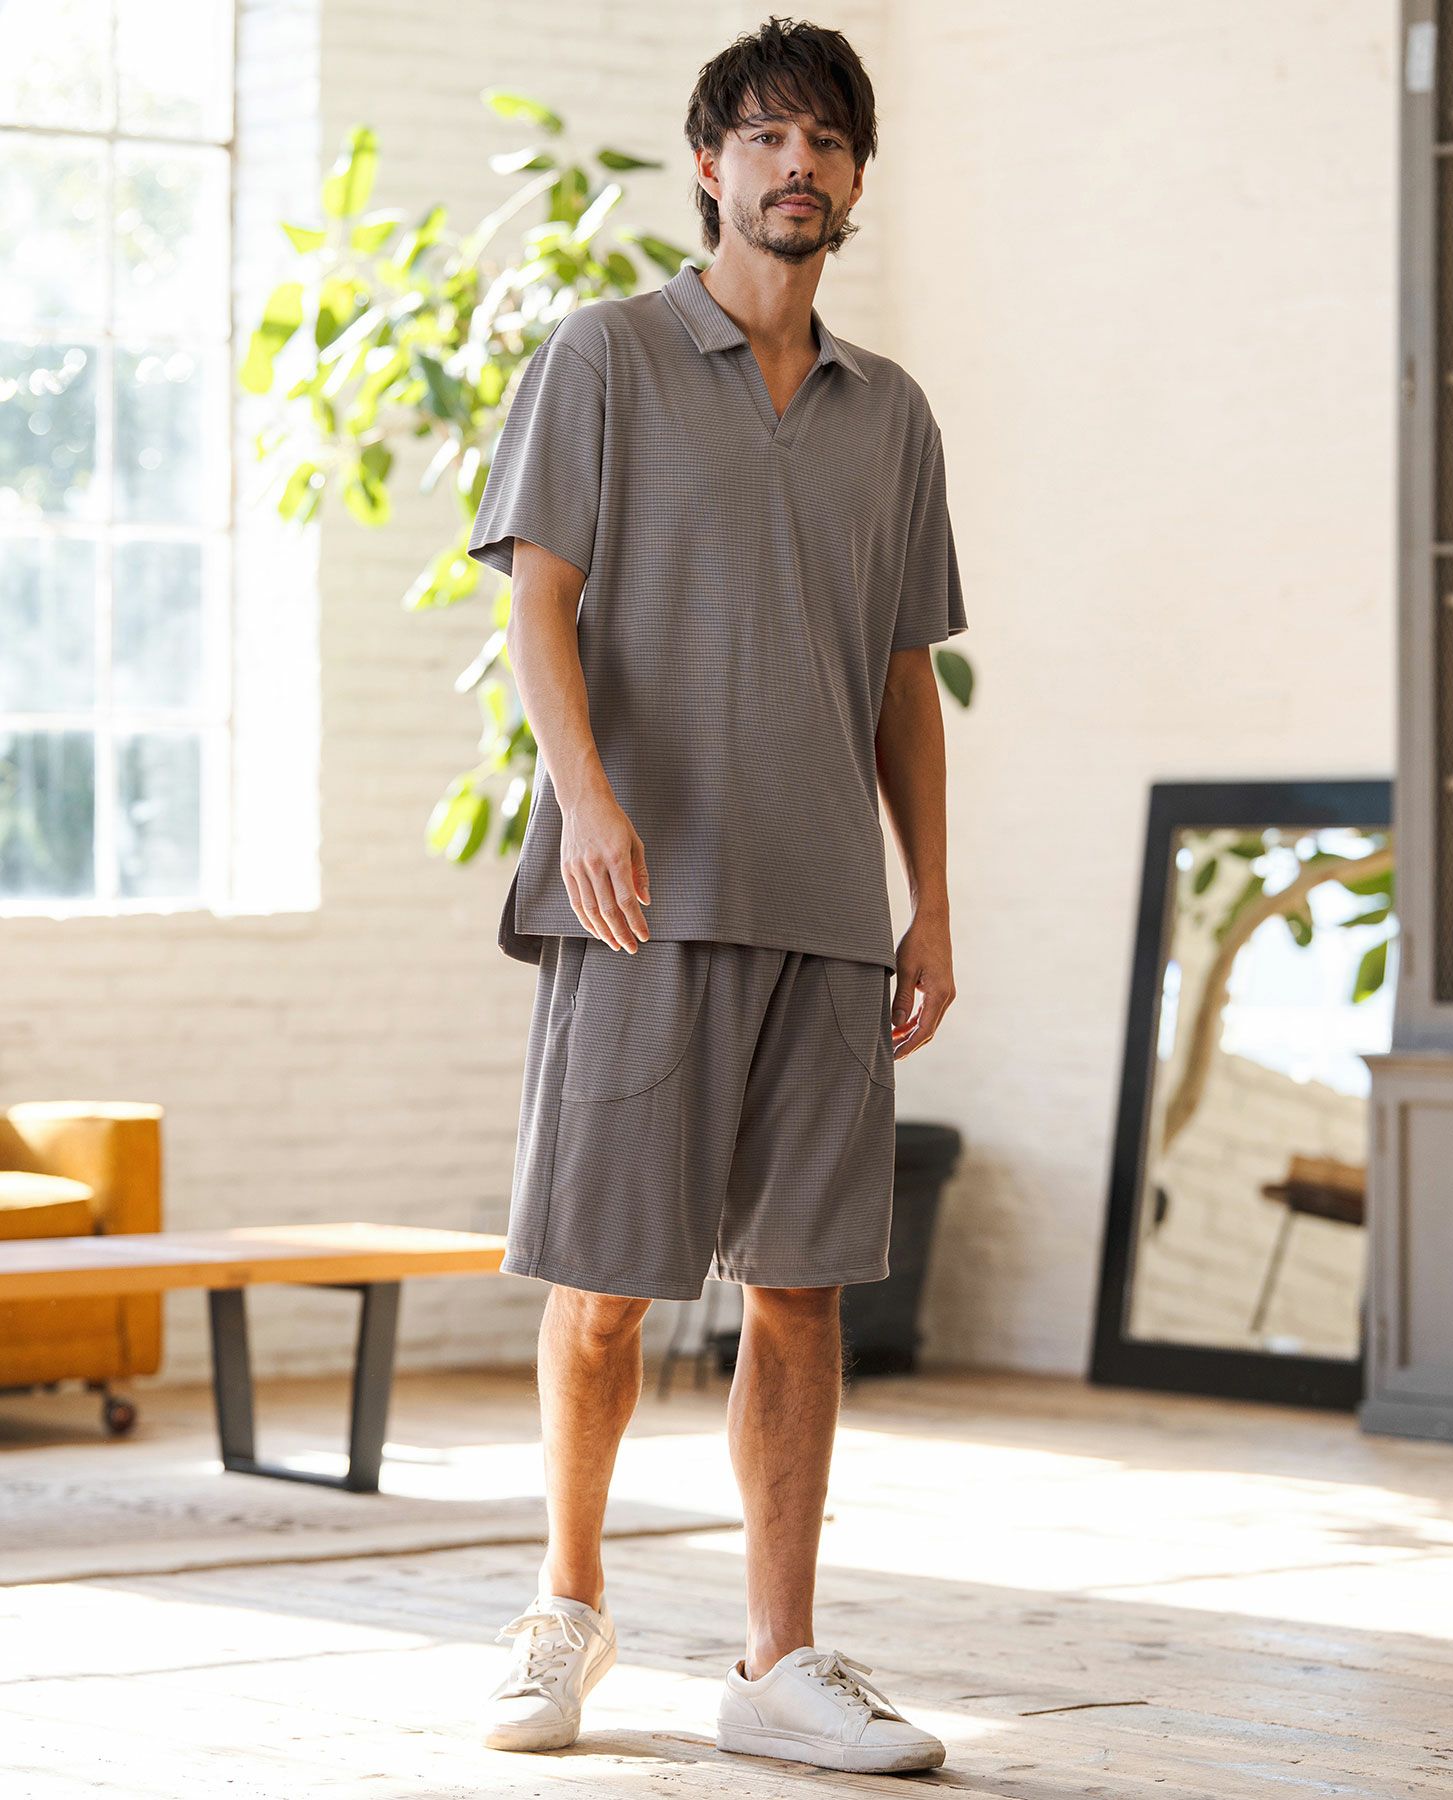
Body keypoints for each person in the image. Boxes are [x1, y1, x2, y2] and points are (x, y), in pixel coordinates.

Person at [465, 14, 967, 1777]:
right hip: (638, 901)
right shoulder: (602, 357)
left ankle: (778, 1658)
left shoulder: (891, 416)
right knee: (604, 1282)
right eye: (764, 136)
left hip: (825, 913)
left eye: (824, 140)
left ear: (854, 177)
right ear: (709, 165)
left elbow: (905, 678)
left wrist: (932, 899)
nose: (795, 164)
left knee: (804, 1291)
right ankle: (566, 1608)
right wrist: (587, 805)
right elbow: (537, 603)